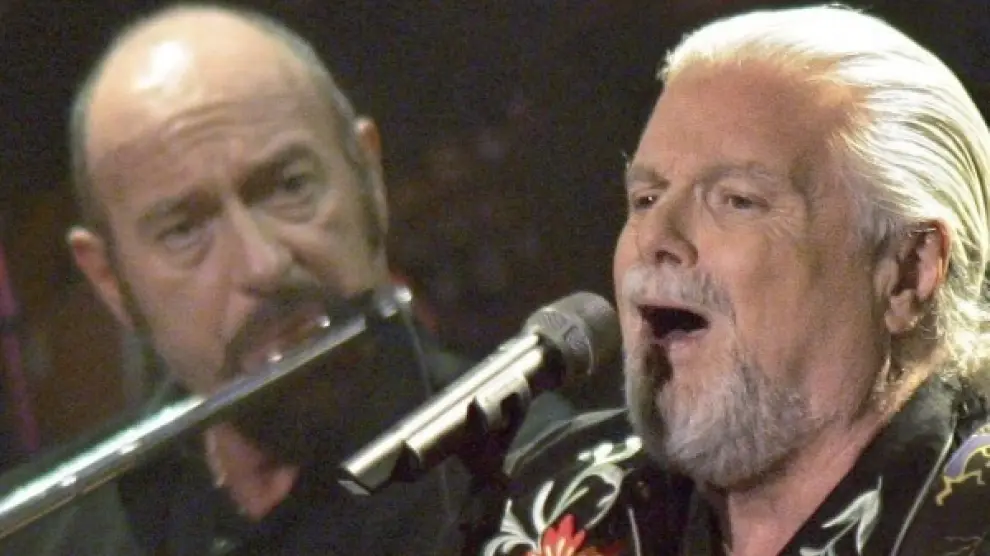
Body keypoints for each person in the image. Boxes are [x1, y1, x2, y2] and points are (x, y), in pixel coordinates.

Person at [0, 3, 571, 555]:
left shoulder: (546, 486)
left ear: (367, 176)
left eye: (289, 186)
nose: (263, 264)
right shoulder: (39, 531)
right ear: (108, 280)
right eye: (183, 230)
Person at [461, 4, 990, 556]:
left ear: (908, 270)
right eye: (646, 198)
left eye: (737, 200)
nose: (655, 236)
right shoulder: (559, 503)